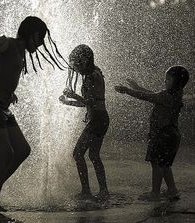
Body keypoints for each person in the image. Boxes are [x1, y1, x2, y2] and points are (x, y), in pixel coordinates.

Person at [0, 16, 66, 222]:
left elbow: (4, 72)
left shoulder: (21, 51)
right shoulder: (9, 43)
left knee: (23, 150)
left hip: (1, 105)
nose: (42, 43)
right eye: (40, 37)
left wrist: (9, 92)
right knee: (6, 153)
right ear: (30, 33)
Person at [115, 66, 189, 201]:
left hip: (163, 135)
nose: (165, 81)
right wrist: (137, 87)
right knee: (165, 164)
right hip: (172, 135)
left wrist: (127, 91)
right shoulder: (175, 95)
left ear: (176, 82)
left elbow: (147, 97)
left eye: (168, 79)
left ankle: (155, 193)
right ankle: (172, 190)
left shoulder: (167, 96)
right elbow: (153, 95)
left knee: (157, 164)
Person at [59, 44, 110, 201]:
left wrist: (73, 95)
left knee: (78, 153)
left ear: (84, 61)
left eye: (77, 63)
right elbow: (89, 103)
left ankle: (86, 191)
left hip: (97, 120)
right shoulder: (96, 72)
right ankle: (103, 190)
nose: (75, 68)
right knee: (93, 155)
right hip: (101, 118)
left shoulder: (91, 76)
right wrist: (68, 102)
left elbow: (90, 102)